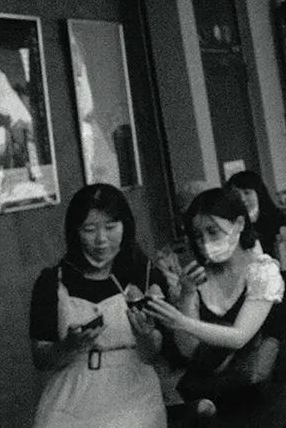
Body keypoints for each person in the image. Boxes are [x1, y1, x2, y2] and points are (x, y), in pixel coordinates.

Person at [144, 187, 286, 427]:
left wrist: (180, 321)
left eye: (212, 231)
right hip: (220, 399)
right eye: (198, 235)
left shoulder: (262, 271)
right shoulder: (198, 276)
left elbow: (239, 337)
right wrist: (186, 295)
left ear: (238, 224)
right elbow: (189, 350)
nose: (205, 242)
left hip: (268, 397)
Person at [29, 183, 166, 428]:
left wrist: (146, 335)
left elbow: (155, 353)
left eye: (111, 227)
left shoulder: (144, 275)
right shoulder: (52, 281)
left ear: (126, 226)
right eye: (89, 229)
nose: (101, 240)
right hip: (71, 401)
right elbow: (41, 358)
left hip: (134, 399)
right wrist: (67, 347)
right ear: (74, 232)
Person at [225, 171, 286, 344]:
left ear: (259, 193)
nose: (242, 199)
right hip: (255, 308)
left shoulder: (283, 221)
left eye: (247, 192)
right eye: (236, 195)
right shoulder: (231, 232)